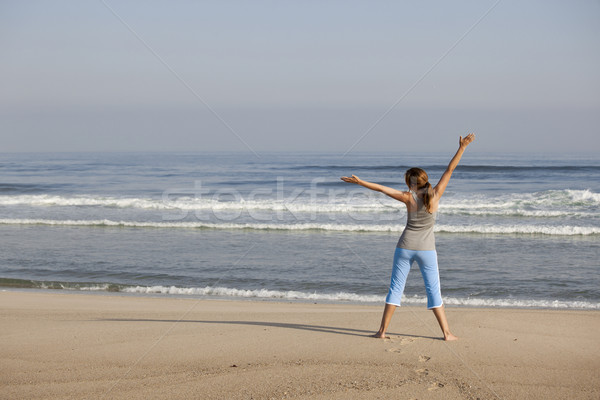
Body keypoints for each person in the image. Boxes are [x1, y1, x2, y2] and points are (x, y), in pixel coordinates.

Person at [341, 134, 475, 341]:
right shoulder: (436, 194)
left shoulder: (407, 197)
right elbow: (450, 170)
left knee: (396, 288)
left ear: (411, 184)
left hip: (404, 247)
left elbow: (381, 189)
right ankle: (447, 334)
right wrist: (462, 148)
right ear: (425, 180)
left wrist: (359, 182)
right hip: (427, 250)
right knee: (433, 291)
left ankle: (382, 332)